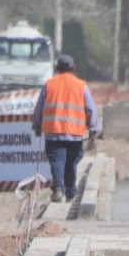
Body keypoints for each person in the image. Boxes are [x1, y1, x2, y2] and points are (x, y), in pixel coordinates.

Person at [32, 53, 99, 203]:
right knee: (71, 162)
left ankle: (58, 188)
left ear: (57, 68)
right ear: (73, 68)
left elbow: (39, 108)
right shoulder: (81, 85)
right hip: (75, 133)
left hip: (53, 132)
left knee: (57, 161)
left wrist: (37, 125)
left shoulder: (49, 85)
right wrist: (93, 129)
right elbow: (90, 109)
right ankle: (70, 191)